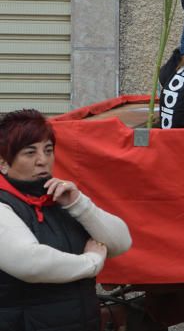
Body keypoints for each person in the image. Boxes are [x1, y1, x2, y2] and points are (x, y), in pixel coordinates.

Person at [0, 109, 132, 330]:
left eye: (48, 150)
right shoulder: (4, 204)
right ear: (3, 163)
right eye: (30, 153)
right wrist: (91, 262)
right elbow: (31, 264)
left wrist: (78, 204)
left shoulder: (59, 198)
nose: (42, 160)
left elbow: (121, 242)